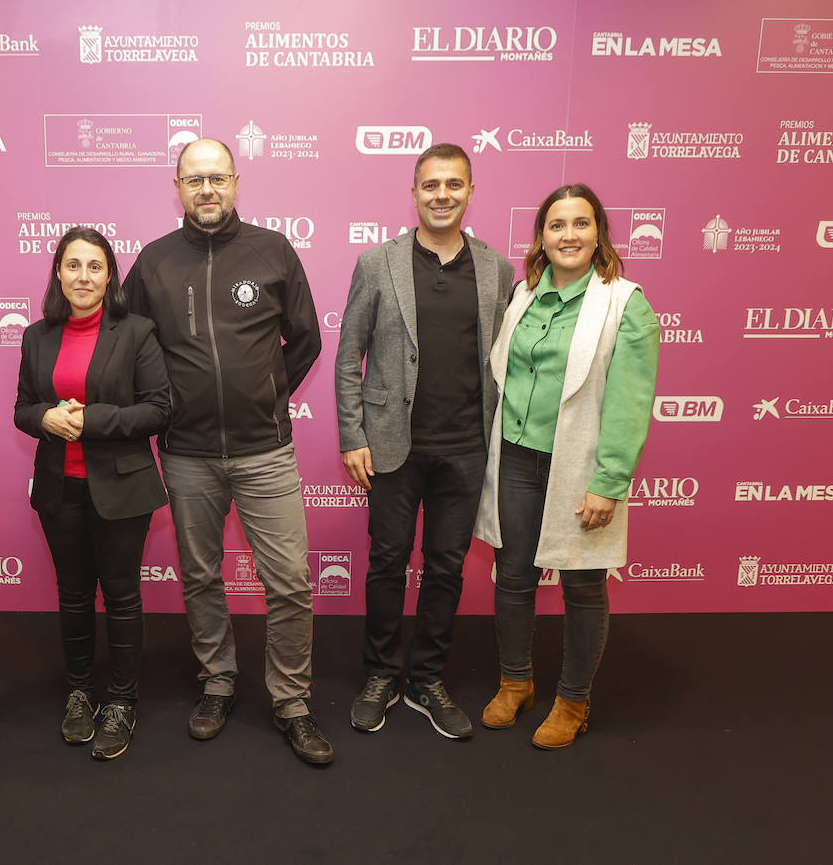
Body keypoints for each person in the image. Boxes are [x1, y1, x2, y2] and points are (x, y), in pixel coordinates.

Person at [122, 138, 331, 765]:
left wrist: (265, 394)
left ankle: (291, 701)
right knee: (200, 576)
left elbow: (308, 339)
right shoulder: (153, 263)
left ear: (236, 182)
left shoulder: (272, 251)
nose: (207, 189)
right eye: (194, 179)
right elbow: (130, 345)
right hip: (186, 452)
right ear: (178, 186)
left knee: (289, 582)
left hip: (264, 449)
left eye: (217, 178)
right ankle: (217, 682)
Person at [335, 143, 514, 739]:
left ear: (470, 191)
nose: (442, 194)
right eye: (431, 185)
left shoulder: (496, 269)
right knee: (387, 564)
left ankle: (427, 680)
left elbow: (505, 361)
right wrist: (352, 433)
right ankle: (382, 674)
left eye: (454, 184)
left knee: (445, 569)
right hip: (392, 445)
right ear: (413, 193)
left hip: (466, 448)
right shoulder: (377, 263)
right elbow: (347, 355)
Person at [473, 183, 659, 750]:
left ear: (599, 231)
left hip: (578, 467)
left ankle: (573, 700)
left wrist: (610, 483)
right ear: (541, 236)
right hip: (515, 460)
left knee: (582, 584)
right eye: (557, 225)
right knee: (512, 577)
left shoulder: (625, 303)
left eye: (581, 224)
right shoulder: (523, 296)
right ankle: (515, 683)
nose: (569, 235)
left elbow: (630, 403)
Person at [14, 226, 169, 761]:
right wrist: (47, 417)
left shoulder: (138, 331)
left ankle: (122, 701)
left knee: (122, 596)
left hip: (121, 488)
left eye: (95, 266)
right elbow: (21, 409)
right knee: (74, 594)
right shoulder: (37, 335)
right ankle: (80, 693)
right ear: (58, 272)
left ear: (110, 275)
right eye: (73, 265)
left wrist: (89, 420)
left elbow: (158, 408)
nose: (84, 276)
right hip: (60, 489)